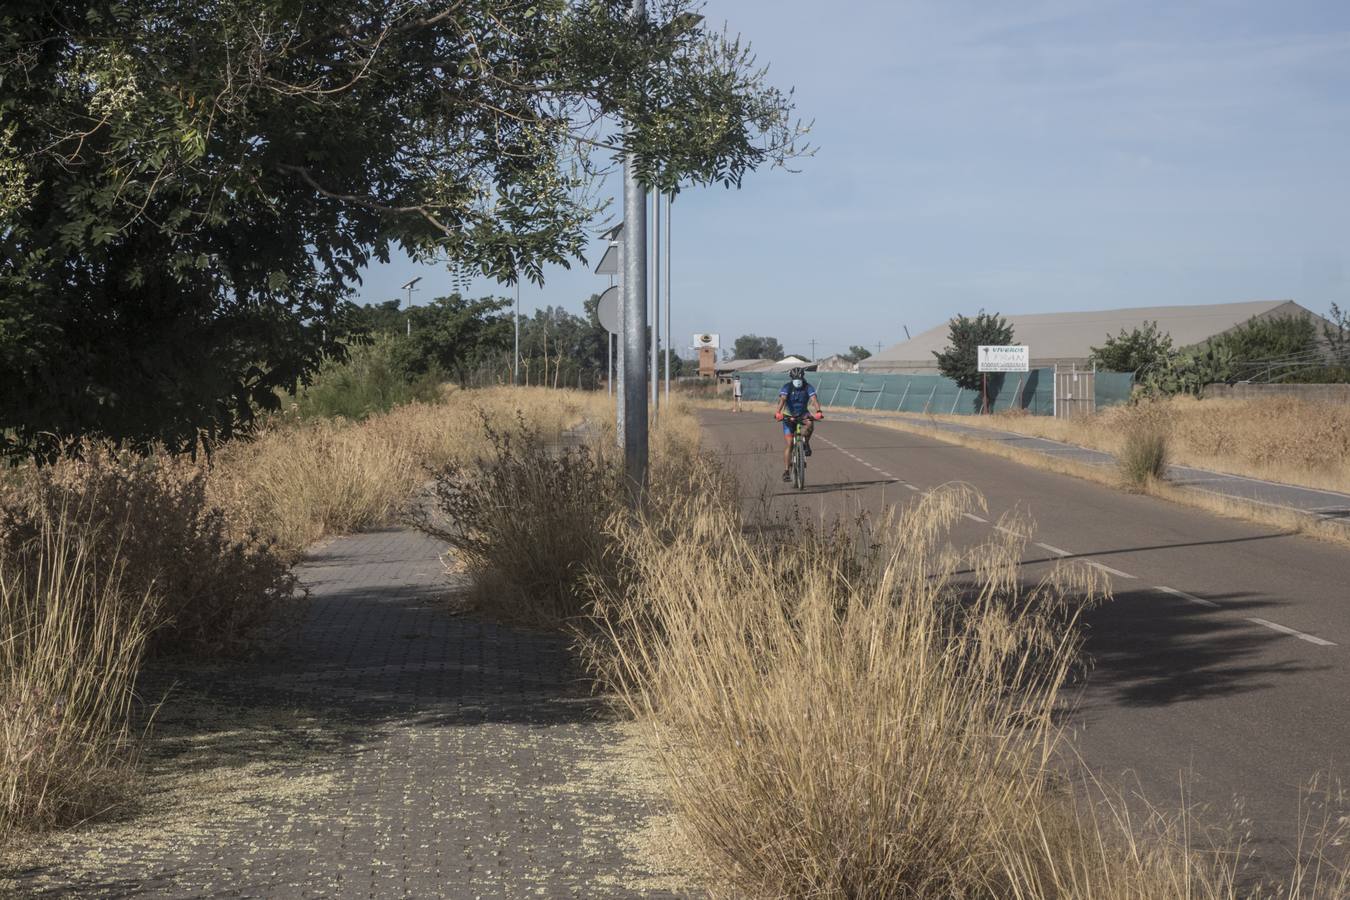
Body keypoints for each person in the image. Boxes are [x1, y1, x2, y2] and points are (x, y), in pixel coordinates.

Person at [773, 367, 824, 481]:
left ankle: (806, 443)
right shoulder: (787, 387)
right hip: (788, 416)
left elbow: (814, 399)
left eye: (800, 377)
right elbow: (782, 399)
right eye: (795, 378)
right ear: (791, 378)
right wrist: (778, 413)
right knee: (790, 444)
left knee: (810, 423)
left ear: (803, 377)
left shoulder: (807, 386)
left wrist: (819, 411)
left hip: (803, 414)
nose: (798, 380)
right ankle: (786, 471)